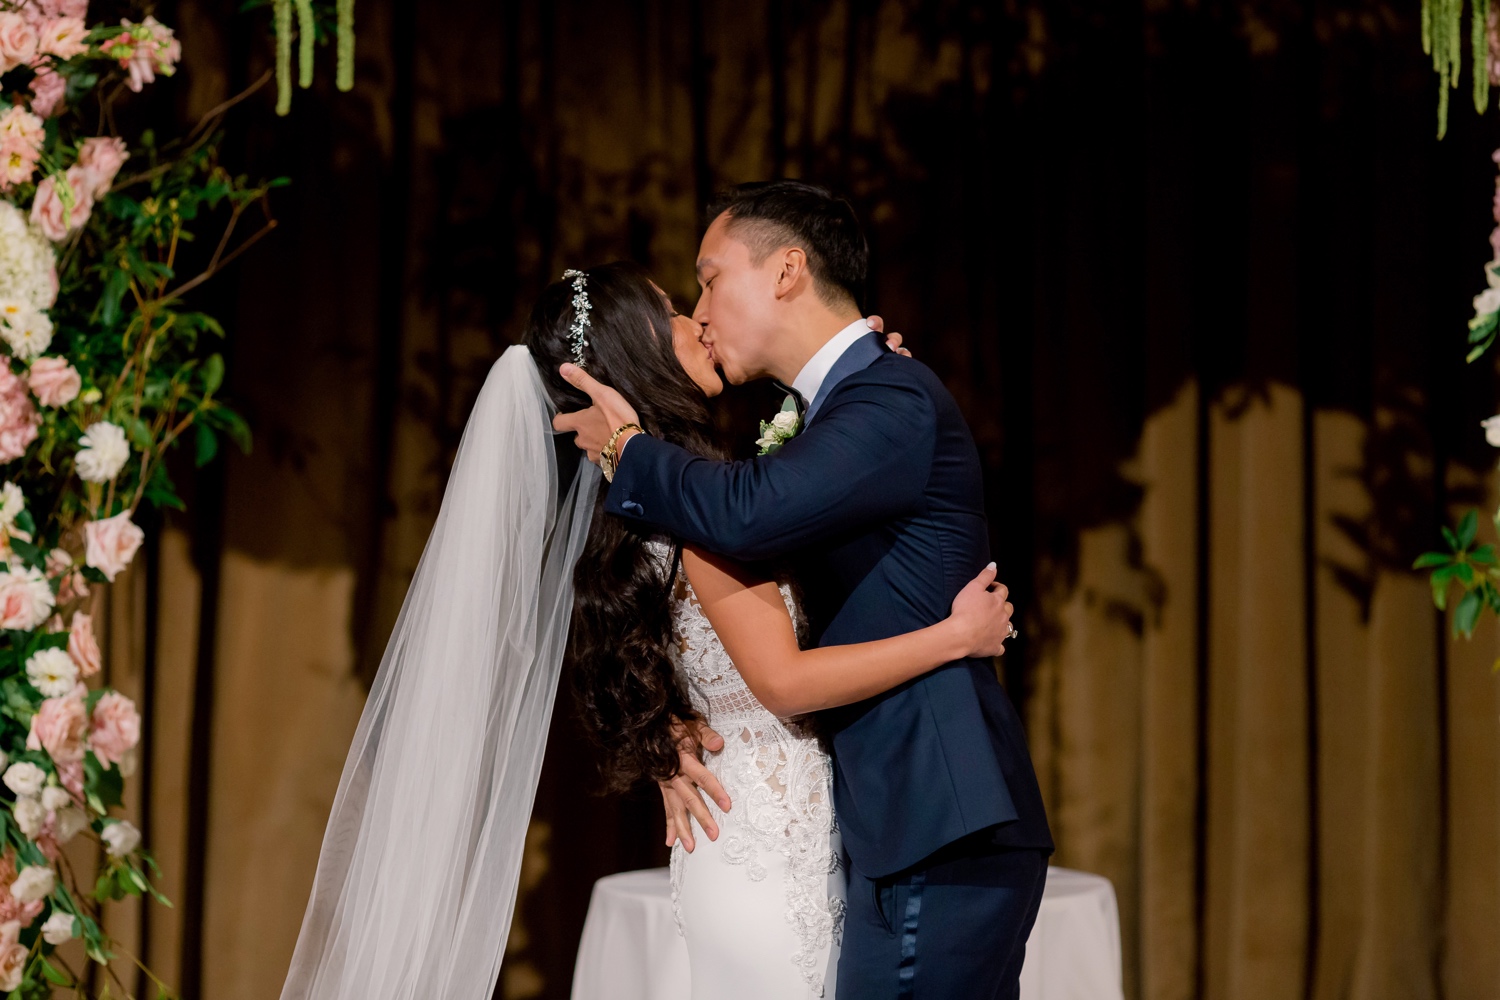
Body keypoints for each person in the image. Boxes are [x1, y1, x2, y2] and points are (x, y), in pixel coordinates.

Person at [278, 259, 1015, 1000]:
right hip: (766, 854)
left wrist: (857, 388)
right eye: (670, 307)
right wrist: (953, 638)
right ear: (638, 348)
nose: (697, 316)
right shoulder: (700, 511)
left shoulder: (653, 500)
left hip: (769, 834)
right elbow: (786, 683)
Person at [555, 181, 1054, 999]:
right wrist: (667, 725)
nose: (704, 309)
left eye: (710, 278)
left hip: (935, 814)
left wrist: (626, 449)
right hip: (871, 826)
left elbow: (747, 517)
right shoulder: (835, 411)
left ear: (787, 270)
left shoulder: (886, 397)